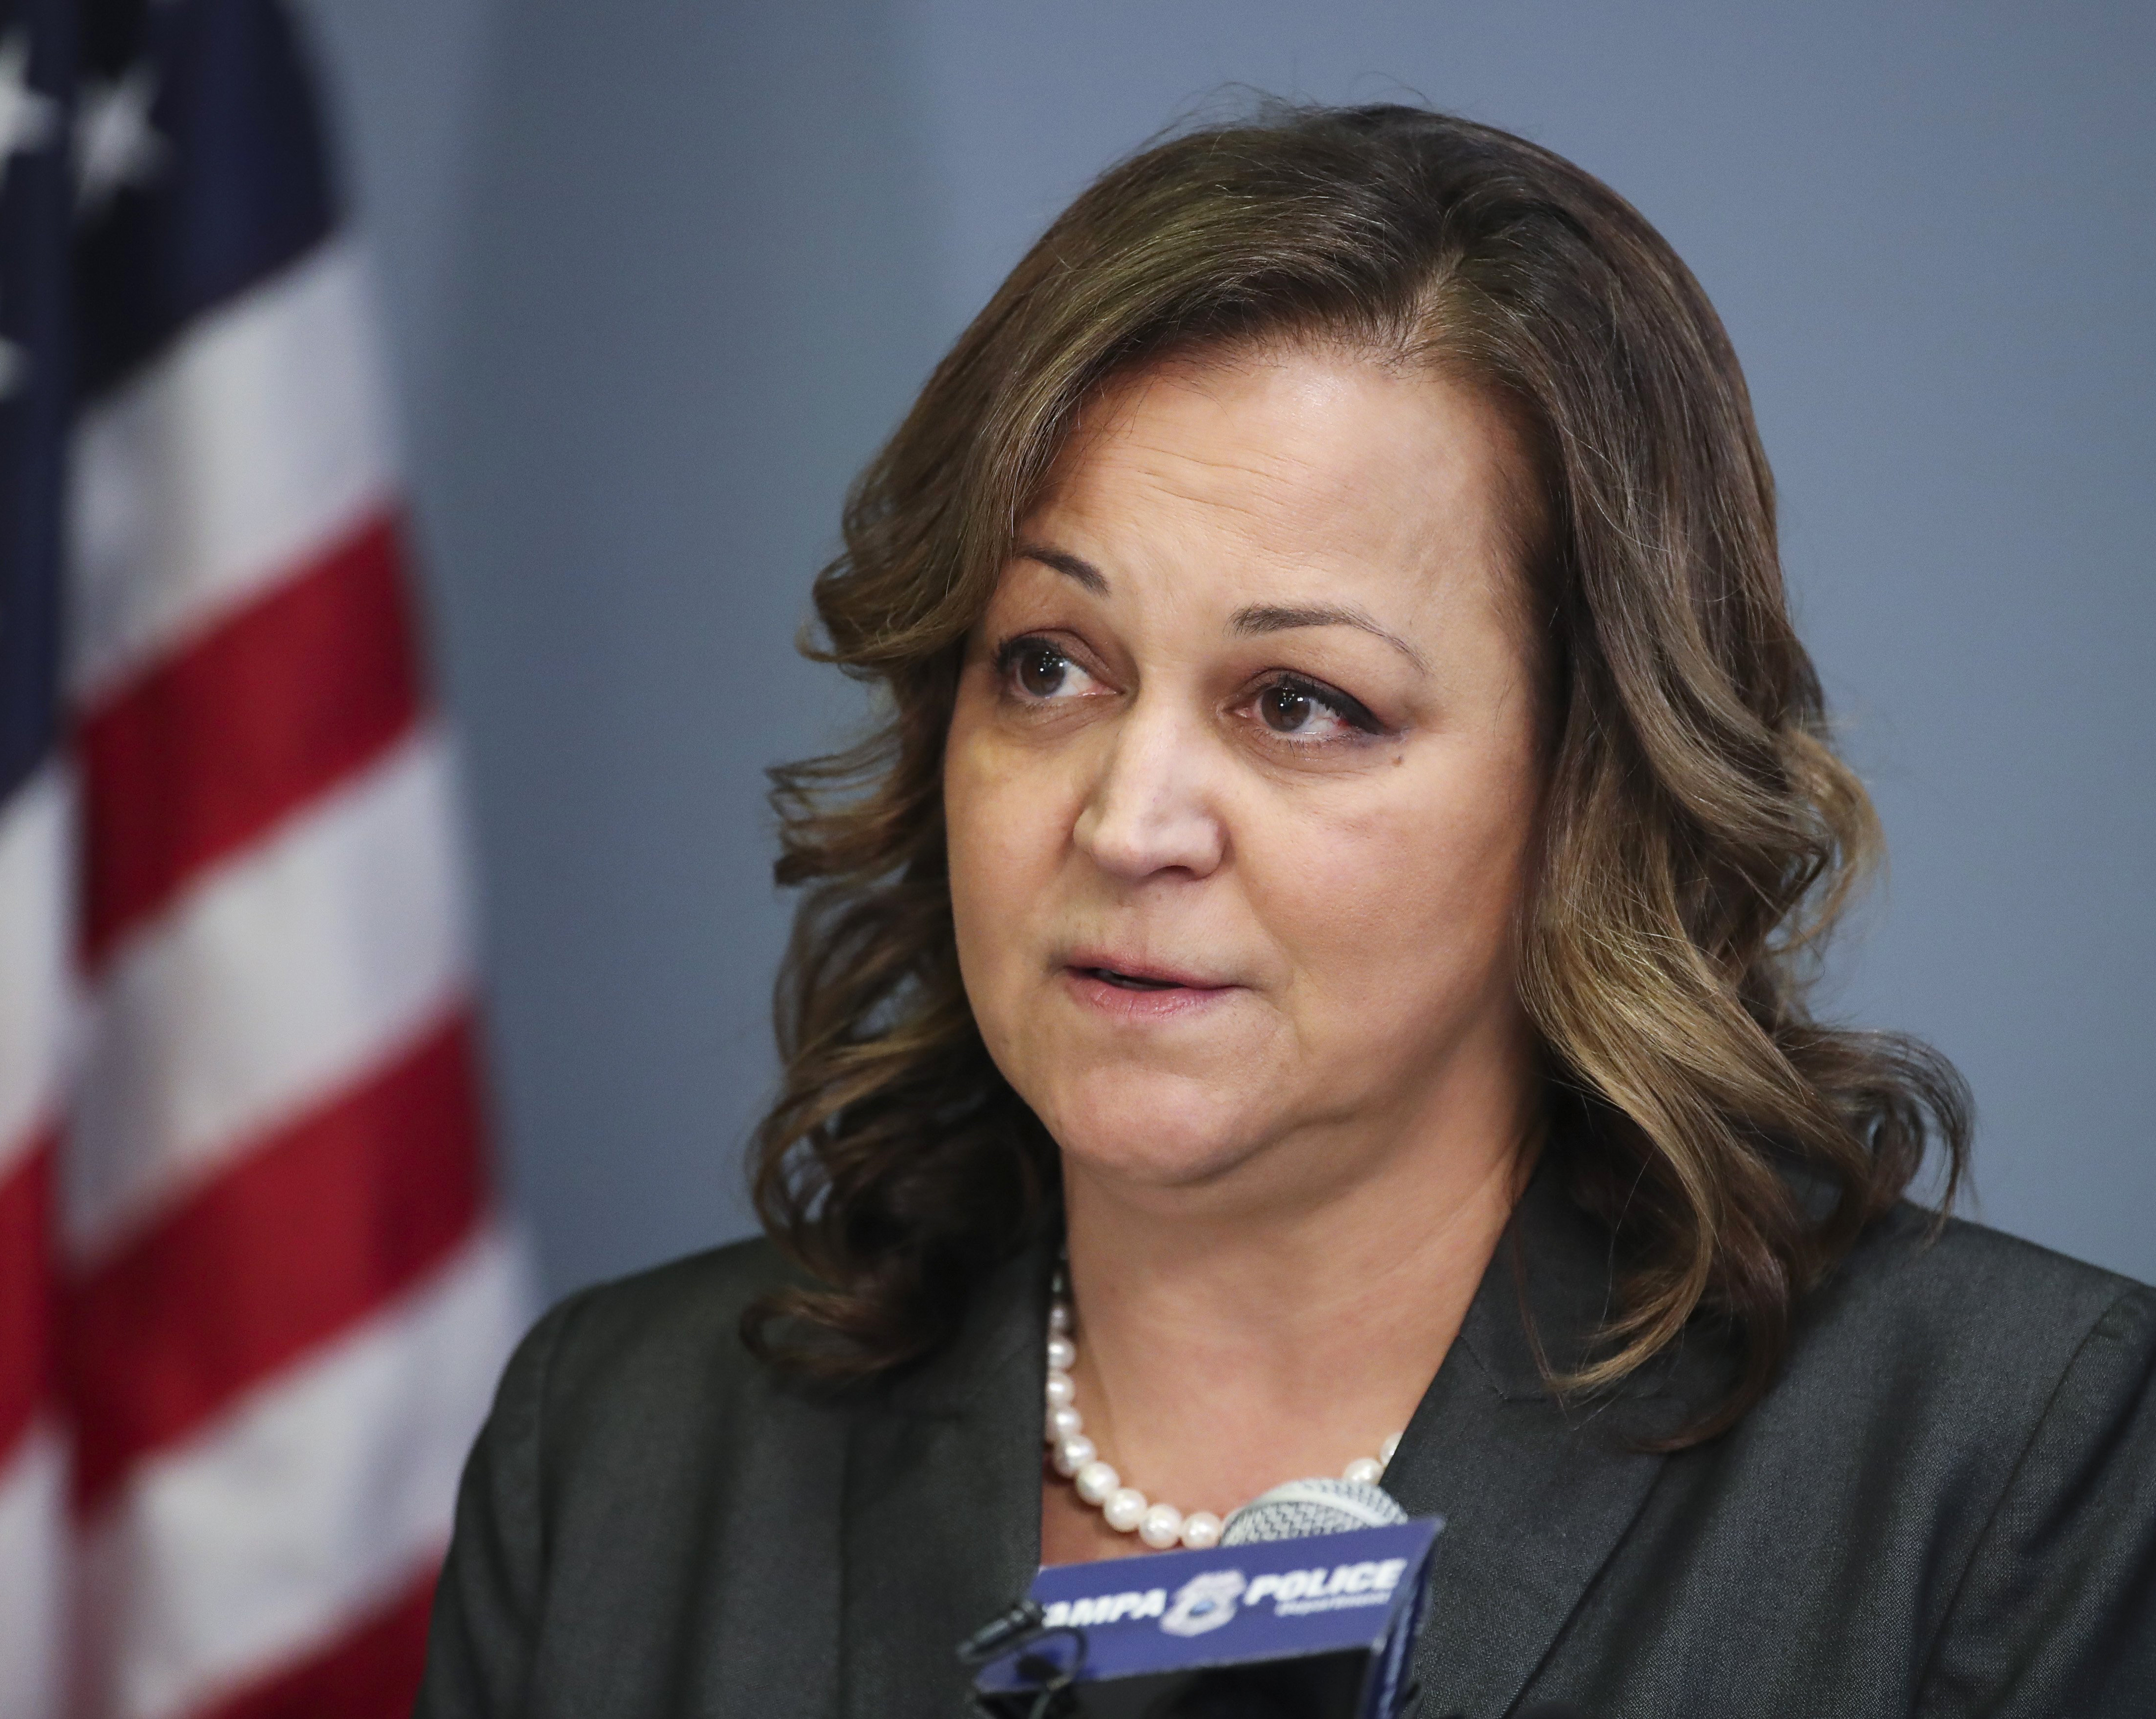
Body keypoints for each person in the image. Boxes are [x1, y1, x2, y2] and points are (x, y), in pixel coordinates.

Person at [414, 104, 2156, 1718]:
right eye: (1050, 664)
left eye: (1300, 702)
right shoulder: (622, 1451)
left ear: (1589, 789)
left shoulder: (2003, 1472)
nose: (1129, 820)